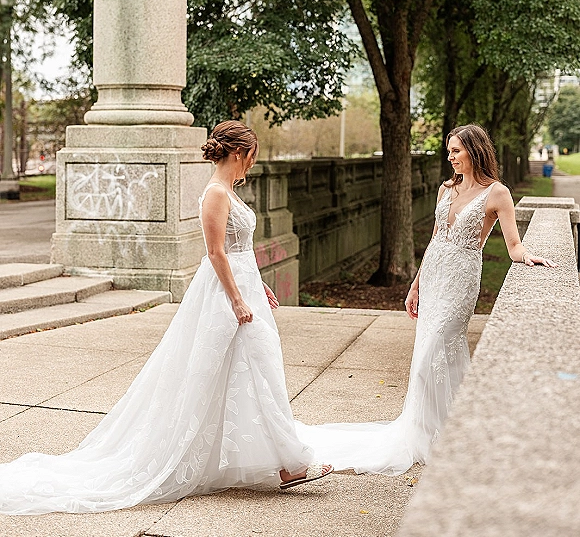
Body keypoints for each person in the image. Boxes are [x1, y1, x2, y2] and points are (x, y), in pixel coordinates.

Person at [0, 120, 331, 515]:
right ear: (241, 153)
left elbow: (240, 251)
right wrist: (239, 300)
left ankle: (278, 460)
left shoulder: (229, 192)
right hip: (225, 296)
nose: (251, 166)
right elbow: (215, 253)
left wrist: (257, 288)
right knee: (254, 365)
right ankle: (288, 463)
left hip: (243, 289)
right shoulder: (214, 194)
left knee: (254, 367)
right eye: (252, 157)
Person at [295, 124, 557, 474]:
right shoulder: (445, 189)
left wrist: (528, 256)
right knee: (426, 354)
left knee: (436, 350)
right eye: (449, 151)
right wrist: (416, 284)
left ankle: (454, 431)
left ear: (475, 151)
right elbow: (435, 240)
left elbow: (513, 245)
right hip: (434, 277)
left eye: (456, 151)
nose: (450, 158)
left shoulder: (498, 193)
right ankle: (431, 430)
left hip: (461, 280)